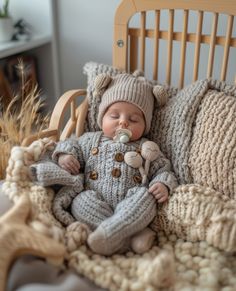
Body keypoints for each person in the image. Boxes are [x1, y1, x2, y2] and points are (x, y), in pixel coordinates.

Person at [30, 71, 178, 255]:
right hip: (94, 198)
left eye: (133, 119)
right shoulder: (91, 139)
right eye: (115, 116)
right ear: (101, 118)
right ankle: (129, 238)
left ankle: (112, 235)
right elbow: (70, 144)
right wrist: (65, 156)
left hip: (131, 201)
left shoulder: (146, 147)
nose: (123, 122)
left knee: (145, 197)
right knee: (80, 201)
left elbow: (164, 168)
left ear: (145, 125)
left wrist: (162, 183)